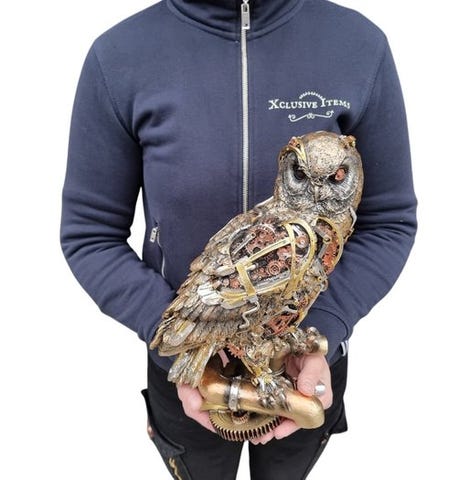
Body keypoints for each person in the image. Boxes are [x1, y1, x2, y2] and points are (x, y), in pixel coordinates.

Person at [61, 0, 417, 478]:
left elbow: (389, 220)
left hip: (307, 363)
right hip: (185, 367)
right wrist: (179, 342)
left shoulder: (358, 45)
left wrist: (323, 330)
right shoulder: (120, 55)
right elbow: (90, 233)